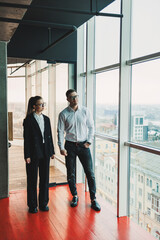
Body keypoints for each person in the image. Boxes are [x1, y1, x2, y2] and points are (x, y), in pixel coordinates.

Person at [57, 89, 101, 211]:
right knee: (71, 173)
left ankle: (93, 199)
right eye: (72, 97)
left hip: (83, 145)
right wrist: (61, 147)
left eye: (76, 96)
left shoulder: (86, 111)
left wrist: (89, 142)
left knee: (90, 173)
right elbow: (60, 132)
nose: (75, 99)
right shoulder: (63, 114)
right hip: (70, 146)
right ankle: (75, 196)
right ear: (67, 99)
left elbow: (92, 127)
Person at [23, 96, 55, 213]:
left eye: (43, 104)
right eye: (40, 104)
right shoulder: (28, 120)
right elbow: (26, 139)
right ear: (34, 106)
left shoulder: (46, 119)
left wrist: (51, 151)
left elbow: (49, 136)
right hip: (33, 152)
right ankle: (32, 205)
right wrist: (27, 155)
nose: (42, 106)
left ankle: (43, 203)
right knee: (32, 180)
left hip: (45, 152)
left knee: (44, 179)